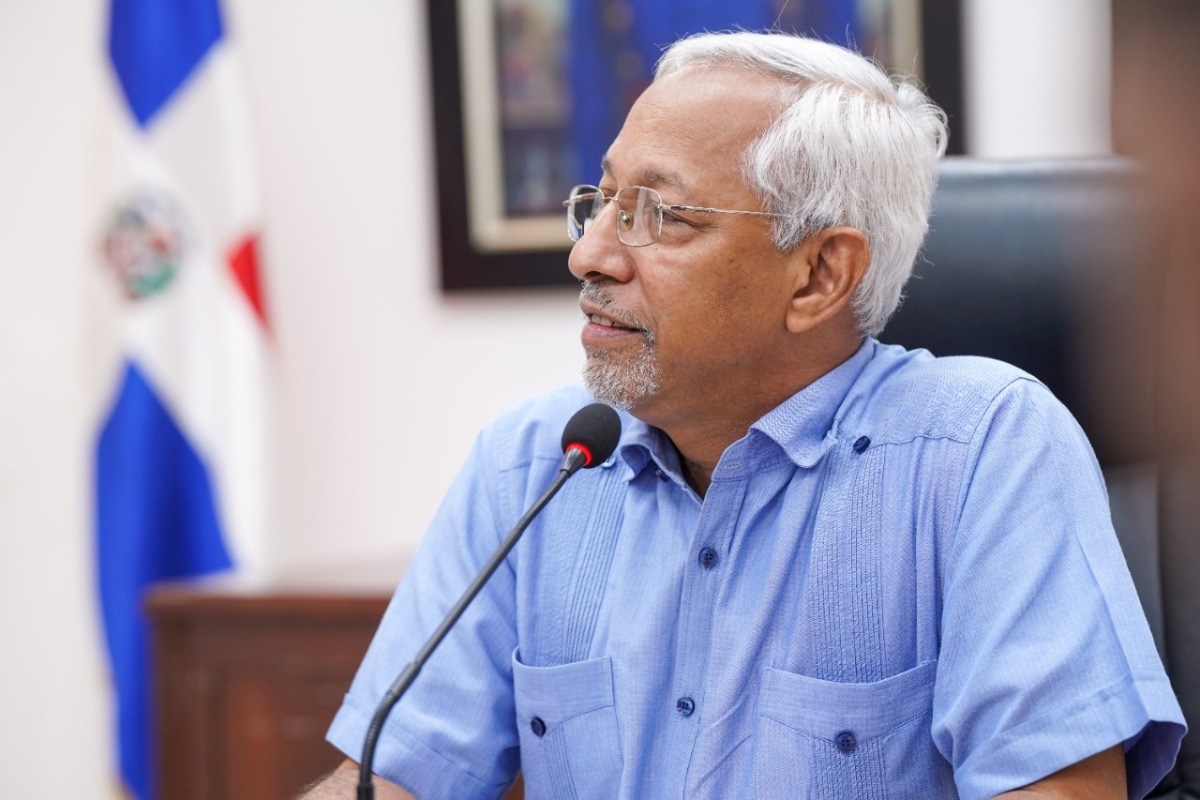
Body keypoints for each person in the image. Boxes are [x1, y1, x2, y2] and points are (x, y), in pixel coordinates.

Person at [302, 32, 1184, 799]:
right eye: (601, 200)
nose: (591, 252)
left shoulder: (980, 449)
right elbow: (397, 777)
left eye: (660, 215)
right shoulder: (537, 461)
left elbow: (1056, 790)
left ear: (819, 276)